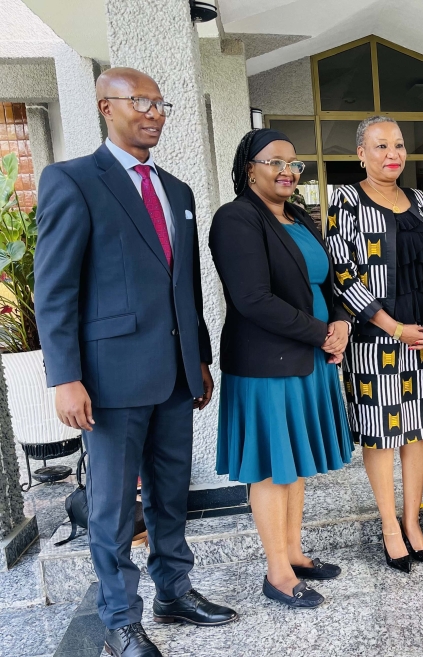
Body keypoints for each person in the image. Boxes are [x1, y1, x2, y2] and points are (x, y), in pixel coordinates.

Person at [33, 68, 236, 657]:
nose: (154, 112)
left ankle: (175, 590)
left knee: (171, 493)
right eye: (140, 101)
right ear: (106, 107)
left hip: (174, 373)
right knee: (114, 504)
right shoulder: (72, 180)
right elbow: (54, 290)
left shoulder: (176, 190)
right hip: (109, 379)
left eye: (160, 103)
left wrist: (198, 356)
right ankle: (121, 616)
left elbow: (186, 288)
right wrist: (65, 377)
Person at [210, 129, 353, 608]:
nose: (287, 171)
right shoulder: (236, 219)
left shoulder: (299, 217)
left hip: (309, 355)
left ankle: (294, 552)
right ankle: (276, 573)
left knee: (294, 464)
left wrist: (341, 322)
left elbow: (327, 283)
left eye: (294, 163)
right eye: (275, 162)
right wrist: (321, 334)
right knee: (274, 468)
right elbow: (252, 299)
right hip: (267, 365)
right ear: (249, 167)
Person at [325, 116, 423, 573]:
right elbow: (342, 273)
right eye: (380, 146)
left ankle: (413, 522)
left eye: (398, 145)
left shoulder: (420, 200)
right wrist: (394, 328)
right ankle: (389, 526)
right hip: (376, 340)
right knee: (382, 435)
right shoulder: (346, 199)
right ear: (361, 152)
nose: (391, 154)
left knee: (418, 432)